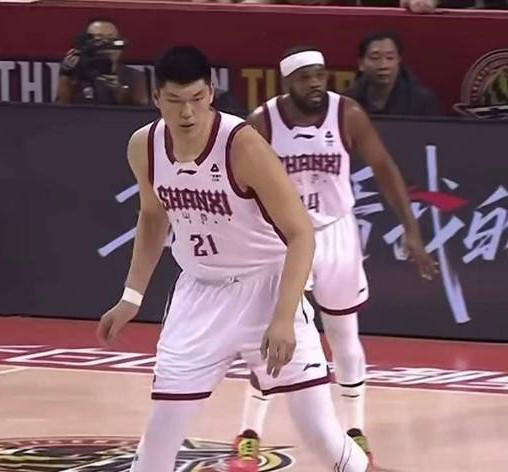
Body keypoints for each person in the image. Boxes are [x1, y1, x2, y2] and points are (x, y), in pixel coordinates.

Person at [97, 45, 370, 472]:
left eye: (196, 98)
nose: (187, 112)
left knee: (319, 432)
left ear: (211, 92)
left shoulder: (242, 146)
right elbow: (152, 216)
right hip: (199, 295)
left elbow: (300, 233)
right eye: (175, 101)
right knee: (159, 438)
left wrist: (283, 317)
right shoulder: (144, 146)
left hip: (266, 287)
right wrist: (131, 296)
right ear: (157, 98)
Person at [231, 47, 438, 470]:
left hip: (336, 233)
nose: (315, 83)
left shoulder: (347, 114)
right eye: (305, 77)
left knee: (344, 334)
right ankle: (249, 433)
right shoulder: (262, 123)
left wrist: (412, 230)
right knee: (275, 336)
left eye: (320, 75)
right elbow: (241, 188)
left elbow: (384, 168)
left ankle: (356, 431)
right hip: (285, 238)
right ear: (287, 82)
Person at [56, 17, 150, 106]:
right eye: (99, 39)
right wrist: (67, 73)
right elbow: (62, 106)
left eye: (111, 39)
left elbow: (142, 109)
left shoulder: (134, 76)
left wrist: (118, 89)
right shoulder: (74, 73)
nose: (106, 46)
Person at [344, 31, 441, 116]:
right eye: (375, 58)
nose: (383, 65)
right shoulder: (347, 101)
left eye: (390, 58)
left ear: (399, 61)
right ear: (361, 64)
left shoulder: (422, 101)